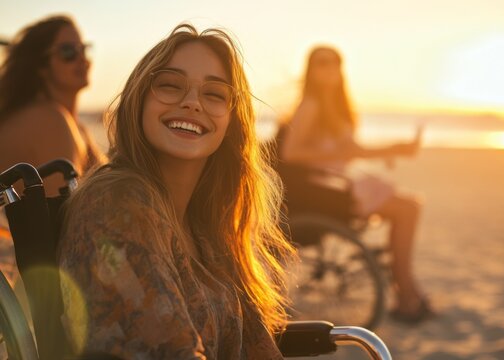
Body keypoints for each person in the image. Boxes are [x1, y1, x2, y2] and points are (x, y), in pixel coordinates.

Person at [58, 23, 296, 358]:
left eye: (214, 94)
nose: (192, 103)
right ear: (138, 100)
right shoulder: (118, 205)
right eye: (170, 86)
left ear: (231, 122)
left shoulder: (204, 226)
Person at [278, 45, 433, 323]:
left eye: (335, 62)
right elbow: (291, 153)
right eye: (322, 63)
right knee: (407, 210)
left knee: (410, 206)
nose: (330, 68)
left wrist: (393, 149)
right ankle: (407, 293)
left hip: (336, 183)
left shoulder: (335, 107)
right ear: (310, 70)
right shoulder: (310, 105)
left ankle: (406, 291)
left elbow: (351, 149)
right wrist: (348, 154)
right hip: (321, 189)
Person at [0, 15, 105, 285]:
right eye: (68, 52)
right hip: (25, 280)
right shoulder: (49, 121)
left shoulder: (74, 126)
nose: (82, 58)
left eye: (84, 49)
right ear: (41, 67)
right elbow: (63, 225)